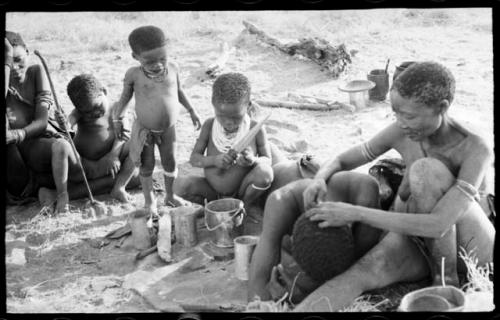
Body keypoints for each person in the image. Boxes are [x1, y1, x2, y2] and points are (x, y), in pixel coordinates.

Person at [248, 61, 495, 311]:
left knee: (425, 170)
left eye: (408, 115)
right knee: (361, 272)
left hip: (469, 247)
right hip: (417, 240)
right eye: (396, 113)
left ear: (442, 108)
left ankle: (445, 282)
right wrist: (321, 177)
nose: (401, 122)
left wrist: (353, 213)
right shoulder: (403, 130)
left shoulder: (474, 148)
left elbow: (440, 224)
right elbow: (344, 159)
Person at [112, 25, 201, 213]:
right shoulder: (134, 75)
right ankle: (149, 201)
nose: (157, 64)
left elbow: (179, 91)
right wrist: (117, 119)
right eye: (149, 61)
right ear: (135, 57)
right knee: (147, 165)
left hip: (169, 129)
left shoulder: (174, 68)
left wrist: (192, 110)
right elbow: (124, 99)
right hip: (146, 131)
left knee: (170, 161)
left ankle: (170, 196)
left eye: (162, 58)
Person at [37, 74, 139, 205]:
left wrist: (113, 155)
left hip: (109, 163)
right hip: (84, 166)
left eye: (97, 106)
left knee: (139, 141)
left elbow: (124, 134)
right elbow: (68, 124)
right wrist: (63, 122)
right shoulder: (78, 112)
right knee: (60, 145)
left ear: (104, 91)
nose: (94, 113)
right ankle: (61, 194)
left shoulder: (117, 108)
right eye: (87, 112)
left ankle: (119, 187)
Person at [175, 73, 273, 208]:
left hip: (242, 190)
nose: (228, 122)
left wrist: (253, 160)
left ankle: (243, 206)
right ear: (213, 106)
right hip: (211, 191)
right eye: (221, 116)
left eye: (236, 117)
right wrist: (214, 161)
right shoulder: (209, 125)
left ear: (248, 106)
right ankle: (215, 206)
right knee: (180, 186)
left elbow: (268, 160)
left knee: (265, 174)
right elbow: (194, 159)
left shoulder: (255, 129)